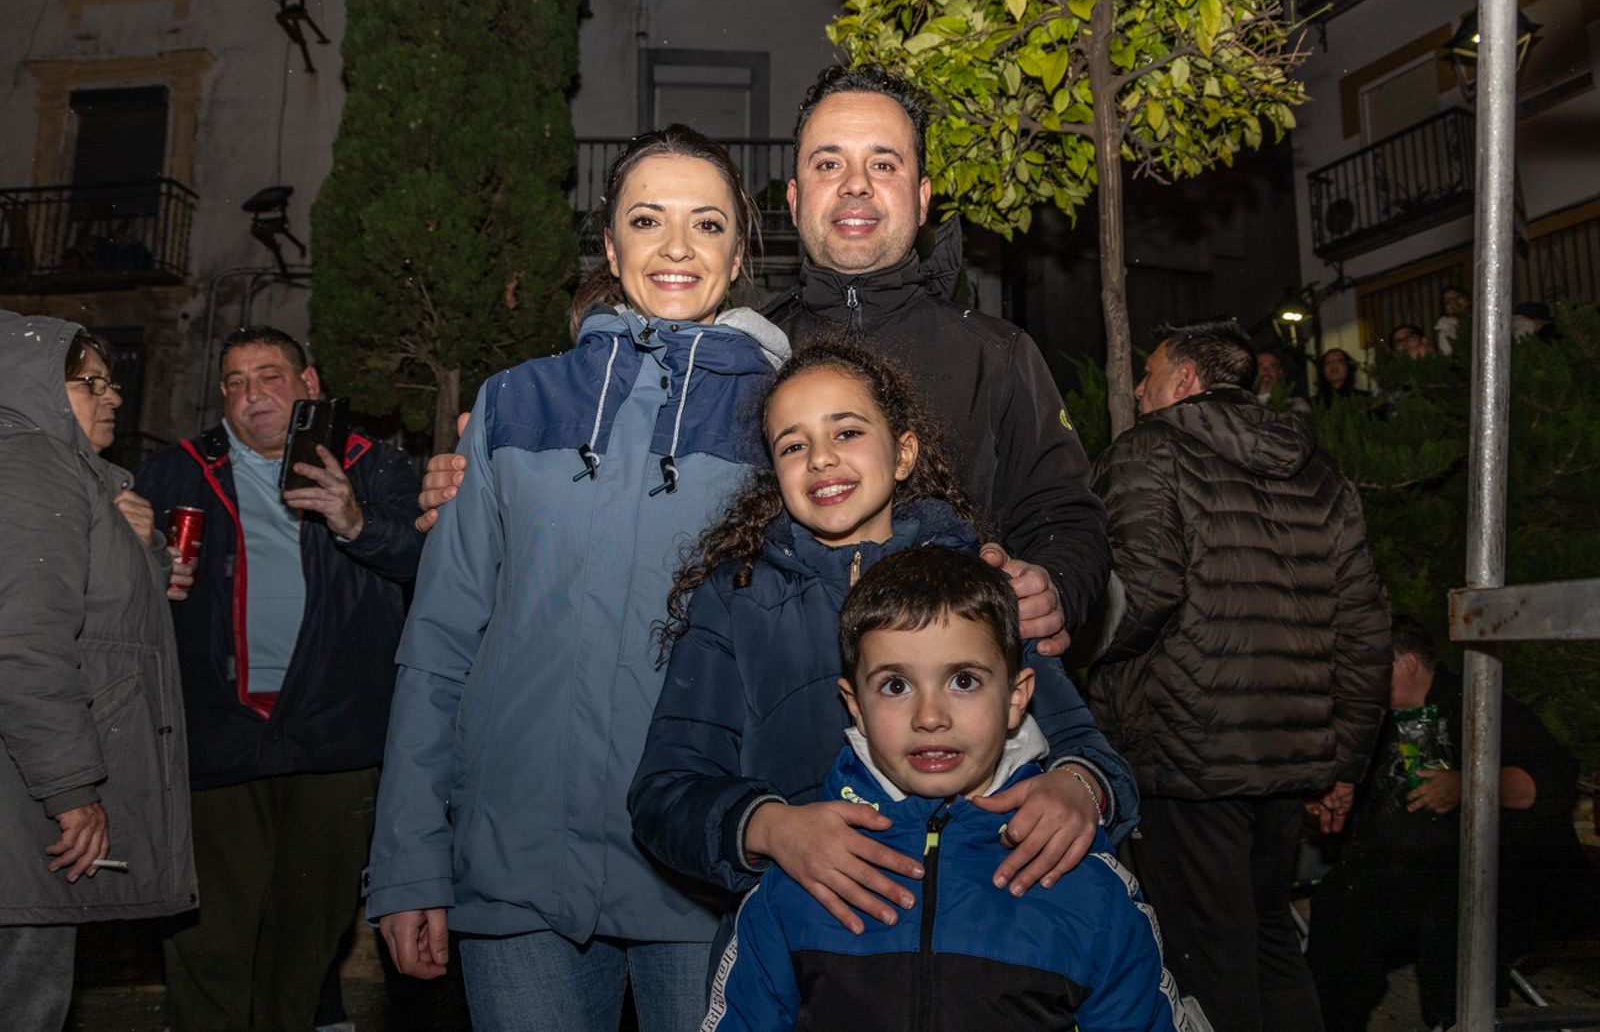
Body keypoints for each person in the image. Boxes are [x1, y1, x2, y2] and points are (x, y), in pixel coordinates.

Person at [417, 65, 1109, 664]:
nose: (856, 185)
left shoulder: (999, 355)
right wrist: (494, 477)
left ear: (922, 198)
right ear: (796, 198)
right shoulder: (735, 358)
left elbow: (1069, 521)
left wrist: (1053, 584)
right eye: (828, 163)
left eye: (884, 163)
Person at [363, 125, 789, 1031]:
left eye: (707, 224)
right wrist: (408, 860)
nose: (677, 247)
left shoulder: (786, 421)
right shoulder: (517, 402)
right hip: (516, 874)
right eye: (647, 219)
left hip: (707, 878)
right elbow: (440, 643)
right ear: (609, 244)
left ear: (740, 252)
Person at [630, 341, 1135, 944]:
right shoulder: (736, 599)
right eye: (794, 444)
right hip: (804, 946)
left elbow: (1094, 756)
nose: (820, 459)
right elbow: (666, 793)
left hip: (986, 940)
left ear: (903, 453)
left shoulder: (976, 583)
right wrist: (771, 829)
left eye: (846, 432)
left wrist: (1077, 787)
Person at [701, 547, 1194, 1031]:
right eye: (896, 686)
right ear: (855, 704)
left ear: (1016, 697)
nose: (930, 717)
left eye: (963, 680)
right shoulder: (797, 883)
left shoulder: (1087, 886)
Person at [1087, 316, 1391, 1031]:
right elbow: (1364, 623)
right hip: (1286, 761)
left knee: (1203, 959)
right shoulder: (1322, 474)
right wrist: (1344, 761)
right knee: (1271, 941)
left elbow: (1144, 593)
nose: (1139, 385)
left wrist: (1070, 647)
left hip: (1187, 750)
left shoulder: (1148, 452)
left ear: (1186, 380)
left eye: (1151, 371)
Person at [133, 325, 424, 1032]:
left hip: (332, 739)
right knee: (207, 940)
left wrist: (357, 522)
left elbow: (432, 560)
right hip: (216, 734)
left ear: (310, 384)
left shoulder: (371, 464)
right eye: (234, 381)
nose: (250, 393)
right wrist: (143, 569)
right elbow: (119, 574)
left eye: (269, 374)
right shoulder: (179, 469)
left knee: (306, 942)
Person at [0, 314, 196, 1030]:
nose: (112, 396)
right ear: (36, 386)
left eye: (113, 381)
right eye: (91, 382)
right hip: (22, 814)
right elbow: (24, 641)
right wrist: (72, 788)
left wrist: (140, 545)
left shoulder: (79, 477)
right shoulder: (31, 459)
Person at [1308, 617, 1599, 1031]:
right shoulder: (1368, 722)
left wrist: (1469, 784)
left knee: (1455, 917)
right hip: (1414, 873)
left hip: (1513, 874)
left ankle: (1460, 1024)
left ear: (1407, 664)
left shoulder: (1477, 702)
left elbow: (1549, 781)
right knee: (1341, 906)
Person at [1253, 348, 1310, 413]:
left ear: (1280, 373)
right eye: (1260, 366)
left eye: (1273, 366)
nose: (1266, 370)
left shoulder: (1298, 405)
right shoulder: (1243, 405)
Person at [1435, 284, 1470, 356]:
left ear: (1467, 298)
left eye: (1457, 297)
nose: (1454, 302)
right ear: (1446, 310)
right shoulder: (1446, 327)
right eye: (1448, 302)